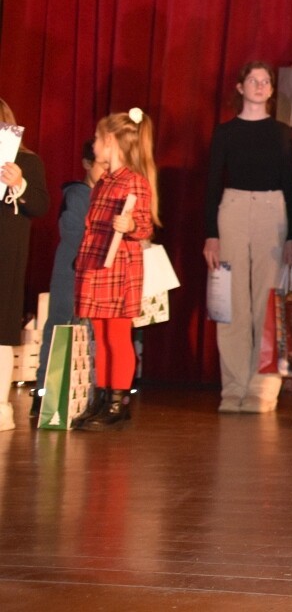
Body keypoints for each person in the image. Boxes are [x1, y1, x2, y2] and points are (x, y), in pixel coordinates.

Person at [202, 61, 292, 414]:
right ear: (240, 87)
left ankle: (263, 388)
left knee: (267, 301)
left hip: (272, 211)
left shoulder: (283, 132)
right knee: (231, 301)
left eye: (266, 81)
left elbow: (290, 184)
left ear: (271, 90)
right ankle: (234, 387)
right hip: (233, 209)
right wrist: (211, 235)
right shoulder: (225, 132)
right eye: (253, 80)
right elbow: (212, 184)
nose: (260, 85)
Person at [73, 108, 158, 430]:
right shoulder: (104, 181)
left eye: (97, 138)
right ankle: (102, 395)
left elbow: (145, 226)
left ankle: (117, 401)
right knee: (100, 335)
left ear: (110, 141)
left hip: (119, 268)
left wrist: (131, 224)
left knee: (118, 335)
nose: (93, 143)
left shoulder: (134, 182)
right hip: (97, 266)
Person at [35, 139, 104, 418]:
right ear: (87, 164)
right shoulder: (77, 194)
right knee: (60, 327)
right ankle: (45, 395)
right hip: (71, 272)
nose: (106, 172)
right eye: (101, 165)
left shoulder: (109, 194)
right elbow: (75, 234)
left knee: (91, 335)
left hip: (95, 274)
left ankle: (85, 396)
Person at [0, 98, 50, 432]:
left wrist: (19, 184)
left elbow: (41, 205)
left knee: (1, 328)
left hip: (6, 252)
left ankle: (1, 406)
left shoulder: (26, 161)